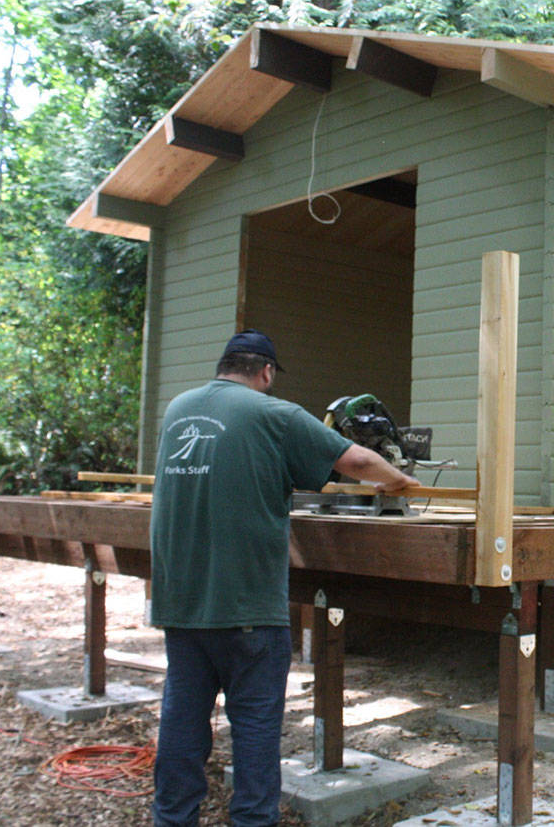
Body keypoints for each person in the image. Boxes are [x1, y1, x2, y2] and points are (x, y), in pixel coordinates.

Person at [149, 329, 418, 827]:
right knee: (253, 726)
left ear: (224, 365)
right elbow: (357, 461)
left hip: (181, 601)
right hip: (248, 605)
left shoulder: (178, 409)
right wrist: (401, 480)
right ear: (266, 372)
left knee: (182, 721)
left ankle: (172, 818)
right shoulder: (276, 414)